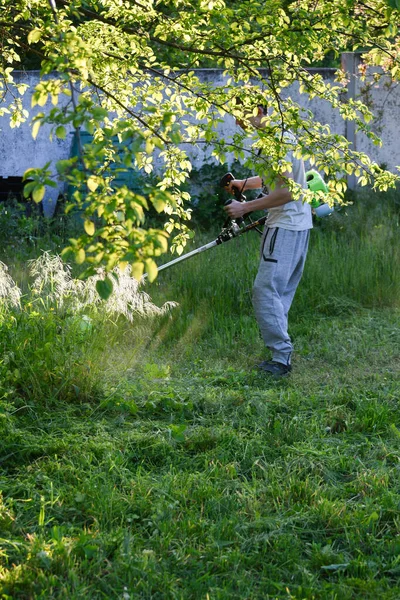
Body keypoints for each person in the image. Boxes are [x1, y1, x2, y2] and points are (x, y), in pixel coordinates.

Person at [224, 105, 312, 377]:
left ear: (257, 110)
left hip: (285, 226)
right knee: (278, 293)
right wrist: (243, 184)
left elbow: (286, 192)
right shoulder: (278, 137)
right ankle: (279, 354)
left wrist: (245, 208)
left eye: (241, 116)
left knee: (265, 290)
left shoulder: (277, 142)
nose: (239, 124)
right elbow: (274, 178)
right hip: (295, 225)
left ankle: (281, 358)